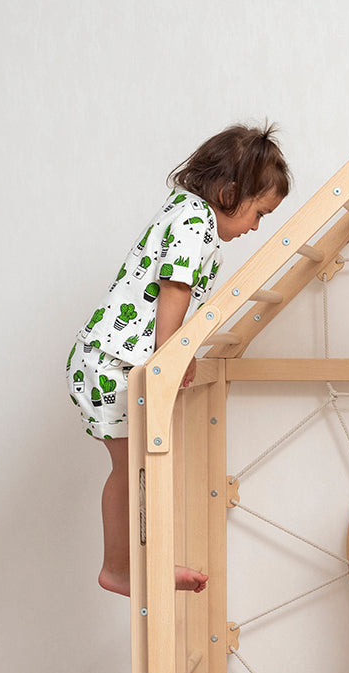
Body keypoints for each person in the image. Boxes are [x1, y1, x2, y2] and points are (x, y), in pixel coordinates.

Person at [67, 124, 291, 596]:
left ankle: (128, 566)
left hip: (112, 360)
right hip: (108, 363)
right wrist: (168, 357)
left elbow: (178, 295)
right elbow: (175, 288)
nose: (255, 227)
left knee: (135, 466)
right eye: (258, 213)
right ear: (229, 194)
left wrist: (178, 351)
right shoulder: (193, 219)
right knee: (134, 466)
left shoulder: (191, 217)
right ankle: (121, 568)